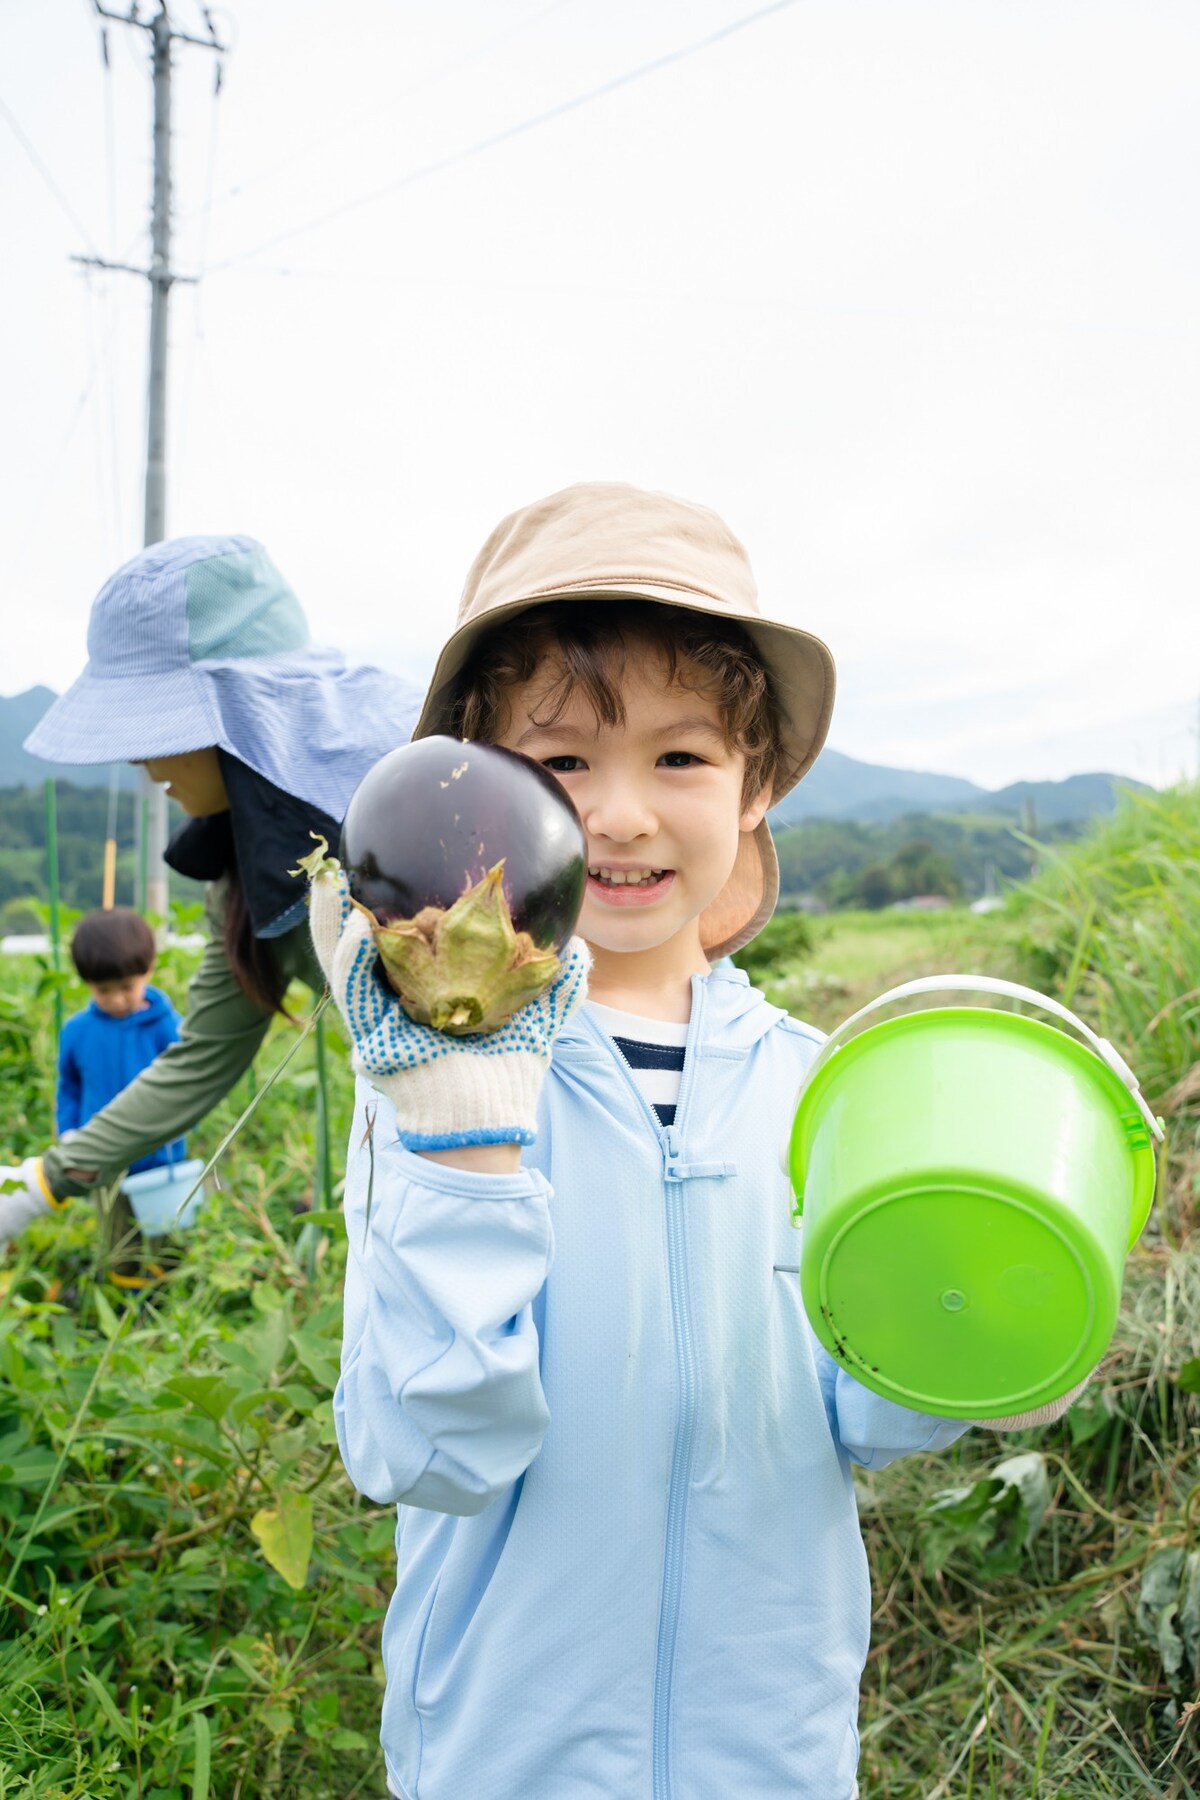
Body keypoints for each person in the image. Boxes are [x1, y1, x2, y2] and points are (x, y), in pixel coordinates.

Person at [307, 482, 1085, 1800]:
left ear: (758, 782)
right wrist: (466, 1139)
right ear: (477, 791)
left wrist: (984, 1332)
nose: (618, 814)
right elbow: (429, 1450)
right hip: (510, 1758)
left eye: (681, 757)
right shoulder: (440, 1086)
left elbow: (861, 1413)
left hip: (772, 1758)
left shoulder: (818, 1090)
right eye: (561, 762)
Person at [0, 534, 420, 1251]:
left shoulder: (417, 807)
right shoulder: (248, 877)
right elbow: (198, 1064)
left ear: (225, 717)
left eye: (151, 725)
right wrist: (40, 1184)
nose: (137, 754)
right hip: (416, 1175)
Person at [56, 907, 186, 1282]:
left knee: (165, 1232)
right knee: (118, 1235)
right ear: (87, 983)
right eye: (103, 991)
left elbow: (185, 1086)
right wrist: (69, 1132)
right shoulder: (77, 1032)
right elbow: (69, 1086)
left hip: (160, 1156)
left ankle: (166, 1289)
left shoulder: (167, 1028)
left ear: (148, 971)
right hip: (103, 1156)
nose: (116, 1000)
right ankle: (127, 1291)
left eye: (126, 987)